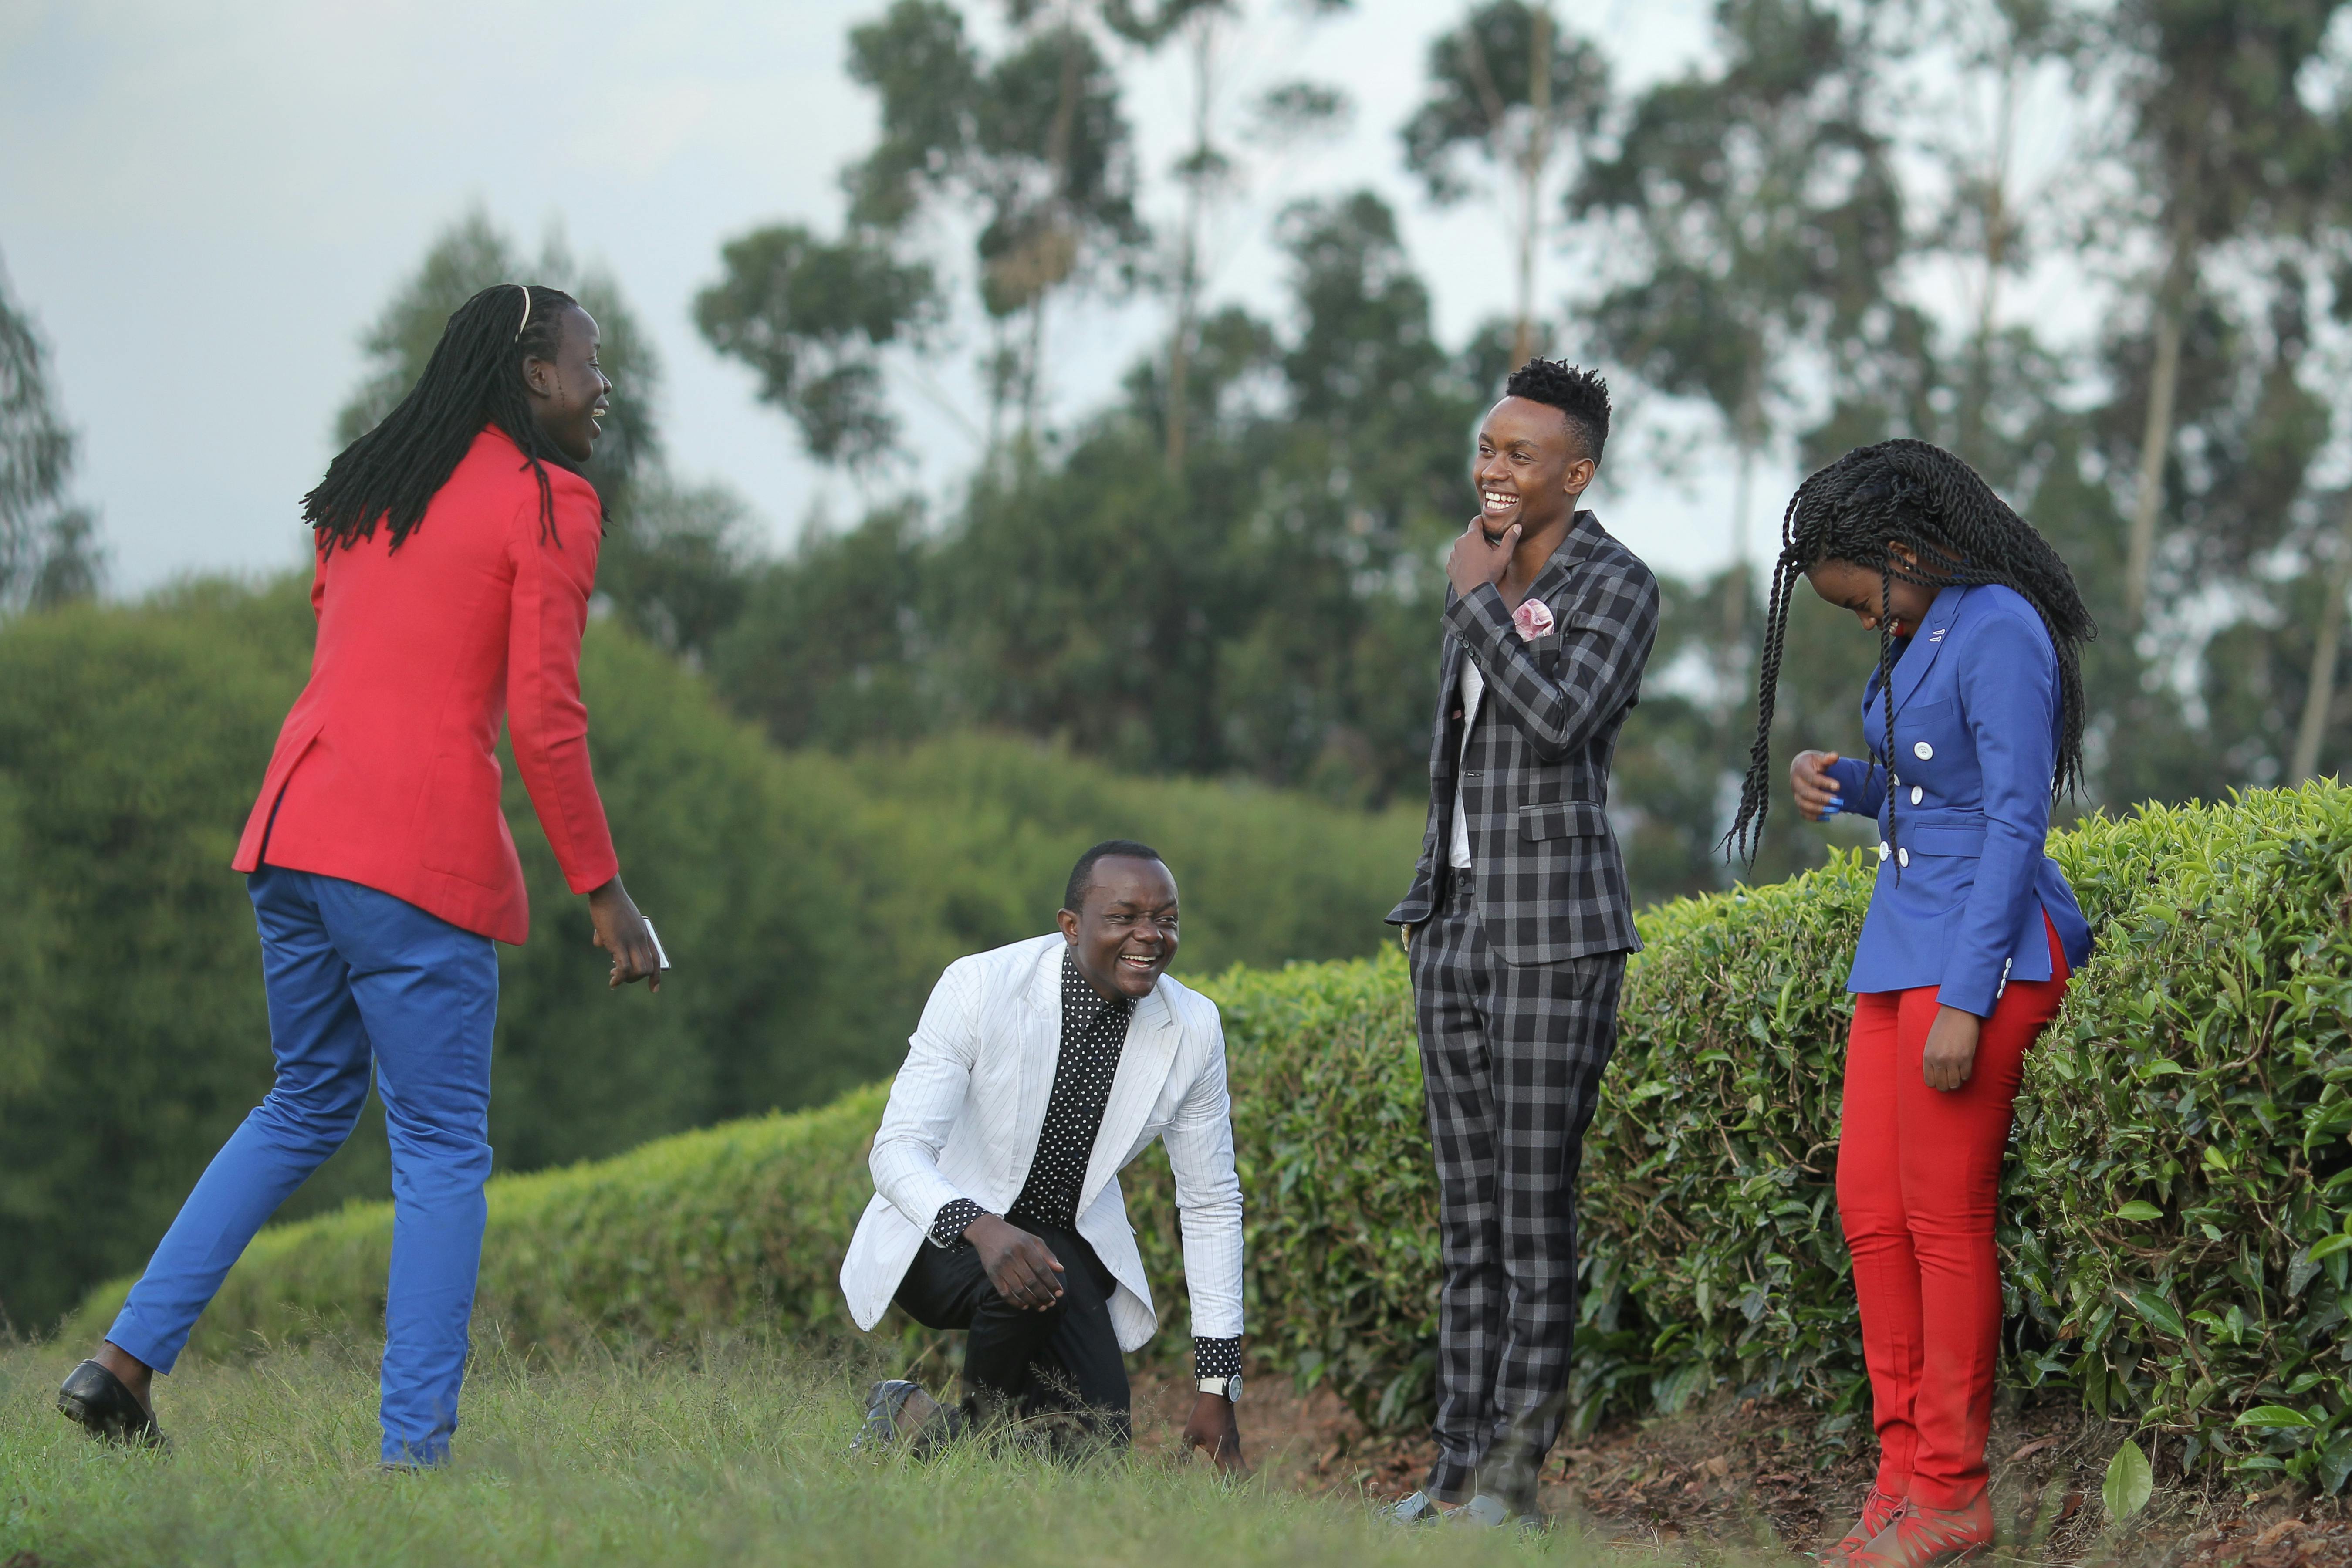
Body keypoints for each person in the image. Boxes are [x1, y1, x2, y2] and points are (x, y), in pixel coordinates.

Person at [55, 283, 664, 1468]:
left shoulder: (369, 488)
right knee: (441, 1150)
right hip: (413, 854)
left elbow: (359, 655)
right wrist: (607, 892)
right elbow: (545, 719)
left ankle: (119, 1367)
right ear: (534, 374)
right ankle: (411, 1463)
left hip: (293, 830)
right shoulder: (549, 503)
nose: (604, 385)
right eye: (592, 363)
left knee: (304, 1100)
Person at [1725, 439, 2096, 1568]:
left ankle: (1954, 1491)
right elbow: (1942, 791)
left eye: (1858, 603)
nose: (1864, 625)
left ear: (1902, 554)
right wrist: (1853, 782)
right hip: (1899, 949)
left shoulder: (2000, 628)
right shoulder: (1931, 624)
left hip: (1977, 957)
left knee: (1942, 1225)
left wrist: (1970, 1001)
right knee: (1871, 1217)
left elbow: (2012, 822)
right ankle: (1899, 1478)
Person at [1383, 361, 1659, 1528]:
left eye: (1519, 456)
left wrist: (1476, 602)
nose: (1493, 471)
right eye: (1486, 450)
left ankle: (1513, 1477)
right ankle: (1450, 1471)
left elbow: (1559, 720)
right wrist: (1426, 912)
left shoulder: (1620, 585)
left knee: (1533, 1206)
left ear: (1576, 473)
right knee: (1468, 1218)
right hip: (1452, 928)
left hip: (1558, 934)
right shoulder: (1481, 576)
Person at [839, 841, 1244, 1467]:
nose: (1150, 936)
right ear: (1071, 927)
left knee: (1096, 1458)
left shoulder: (1193, 1028)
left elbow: (1211, 1201)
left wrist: (1218, 1385)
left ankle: (914, 1419)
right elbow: (897, 1150)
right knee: (1020, 1267)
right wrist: (980, 1226)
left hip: (1063, 1248)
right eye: (1124, 917)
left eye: (1167, 919)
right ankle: (972, 1446)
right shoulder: (979, 985)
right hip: (941, 1237)